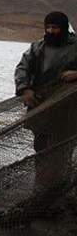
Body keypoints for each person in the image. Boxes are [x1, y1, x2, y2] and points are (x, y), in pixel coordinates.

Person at [14, 11, 77, 188]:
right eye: (48, 27)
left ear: (63, 28)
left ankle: (56, 192)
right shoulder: (37, 48)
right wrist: (24, 88)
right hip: (40, 108)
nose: (51, 31)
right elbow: (22, 68)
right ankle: (41, 189)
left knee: (61, 152)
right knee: (40, 149)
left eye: (55, 28)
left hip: (68, 111)